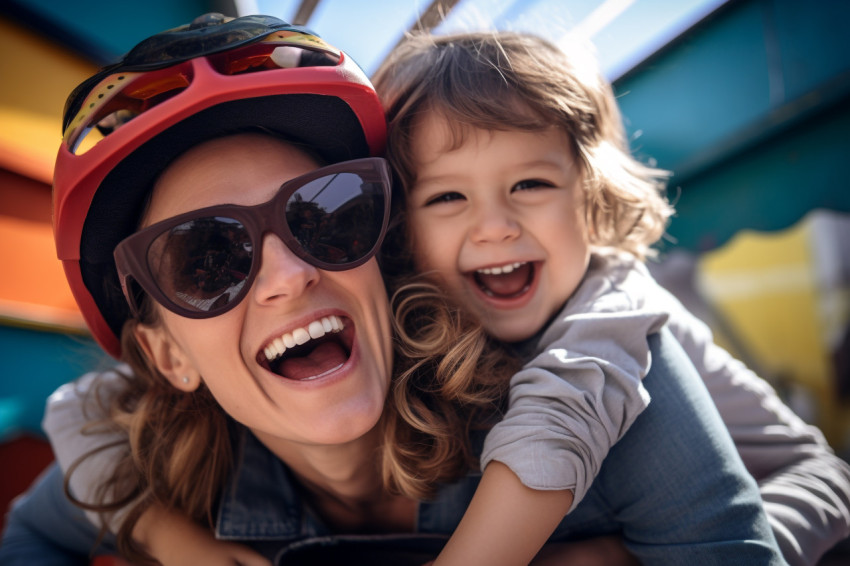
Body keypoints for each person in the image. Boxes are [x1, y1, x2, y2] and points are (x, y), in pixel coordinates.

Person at [0, 13, 804, 566]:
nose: (289, 273)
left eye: (327, 216)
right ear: (166, 356)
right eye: (205, 259)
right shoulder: (150, 467)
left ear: (382, 253)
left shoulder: (607, 386)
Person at [370, 30, 850, 566]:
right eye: (447, 196)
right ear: (402, 231)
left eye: (530, 184)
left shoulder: (616, 299)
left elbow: (563, 412)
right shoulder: (424, 326)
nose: (495, 226)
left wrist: (629, 558)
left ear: (592, 194)